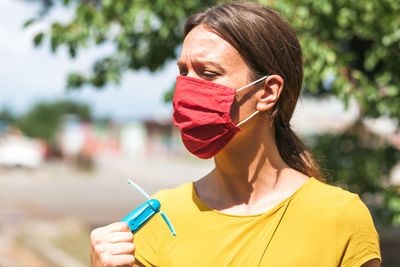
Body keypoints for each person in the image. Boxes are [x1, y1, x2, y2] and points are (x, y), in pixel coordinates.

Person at [90, 2, 381, 266]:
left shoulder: (341, 218)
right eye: (183, 72)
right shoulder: (160, 218)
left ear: (267, 93)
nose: (186, 89)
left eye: (208, 74)